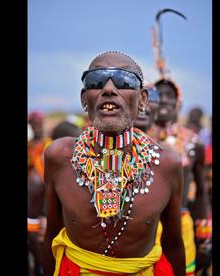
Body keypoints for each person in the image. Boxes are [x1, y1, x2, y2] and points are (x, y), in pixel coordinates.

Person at [43, 51, 185, 275]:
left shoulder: (167, 164)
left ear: (143, 100)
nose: (109, 89)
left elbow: (174, 245)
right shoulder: (59, 157)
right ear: (84, 98)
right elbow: (51, 235)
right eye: (96, 81)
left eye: (124, 80)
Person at [147, 79, 211, 275]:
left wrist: (204, 232)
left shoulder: (193, 143)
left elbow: (200, 192)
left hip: (181, 224)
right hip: (146, 226)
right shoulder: (139, 139)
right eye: (159, 95)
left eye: (170, 96)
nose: (165, 100)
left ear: (178, 102)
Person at [28, 111, 53, 276]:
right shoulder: (30, 147)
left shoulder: (48, 145)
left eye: (40, 123)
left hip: (42, 197)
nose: (38, 127)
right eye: (34, 124)